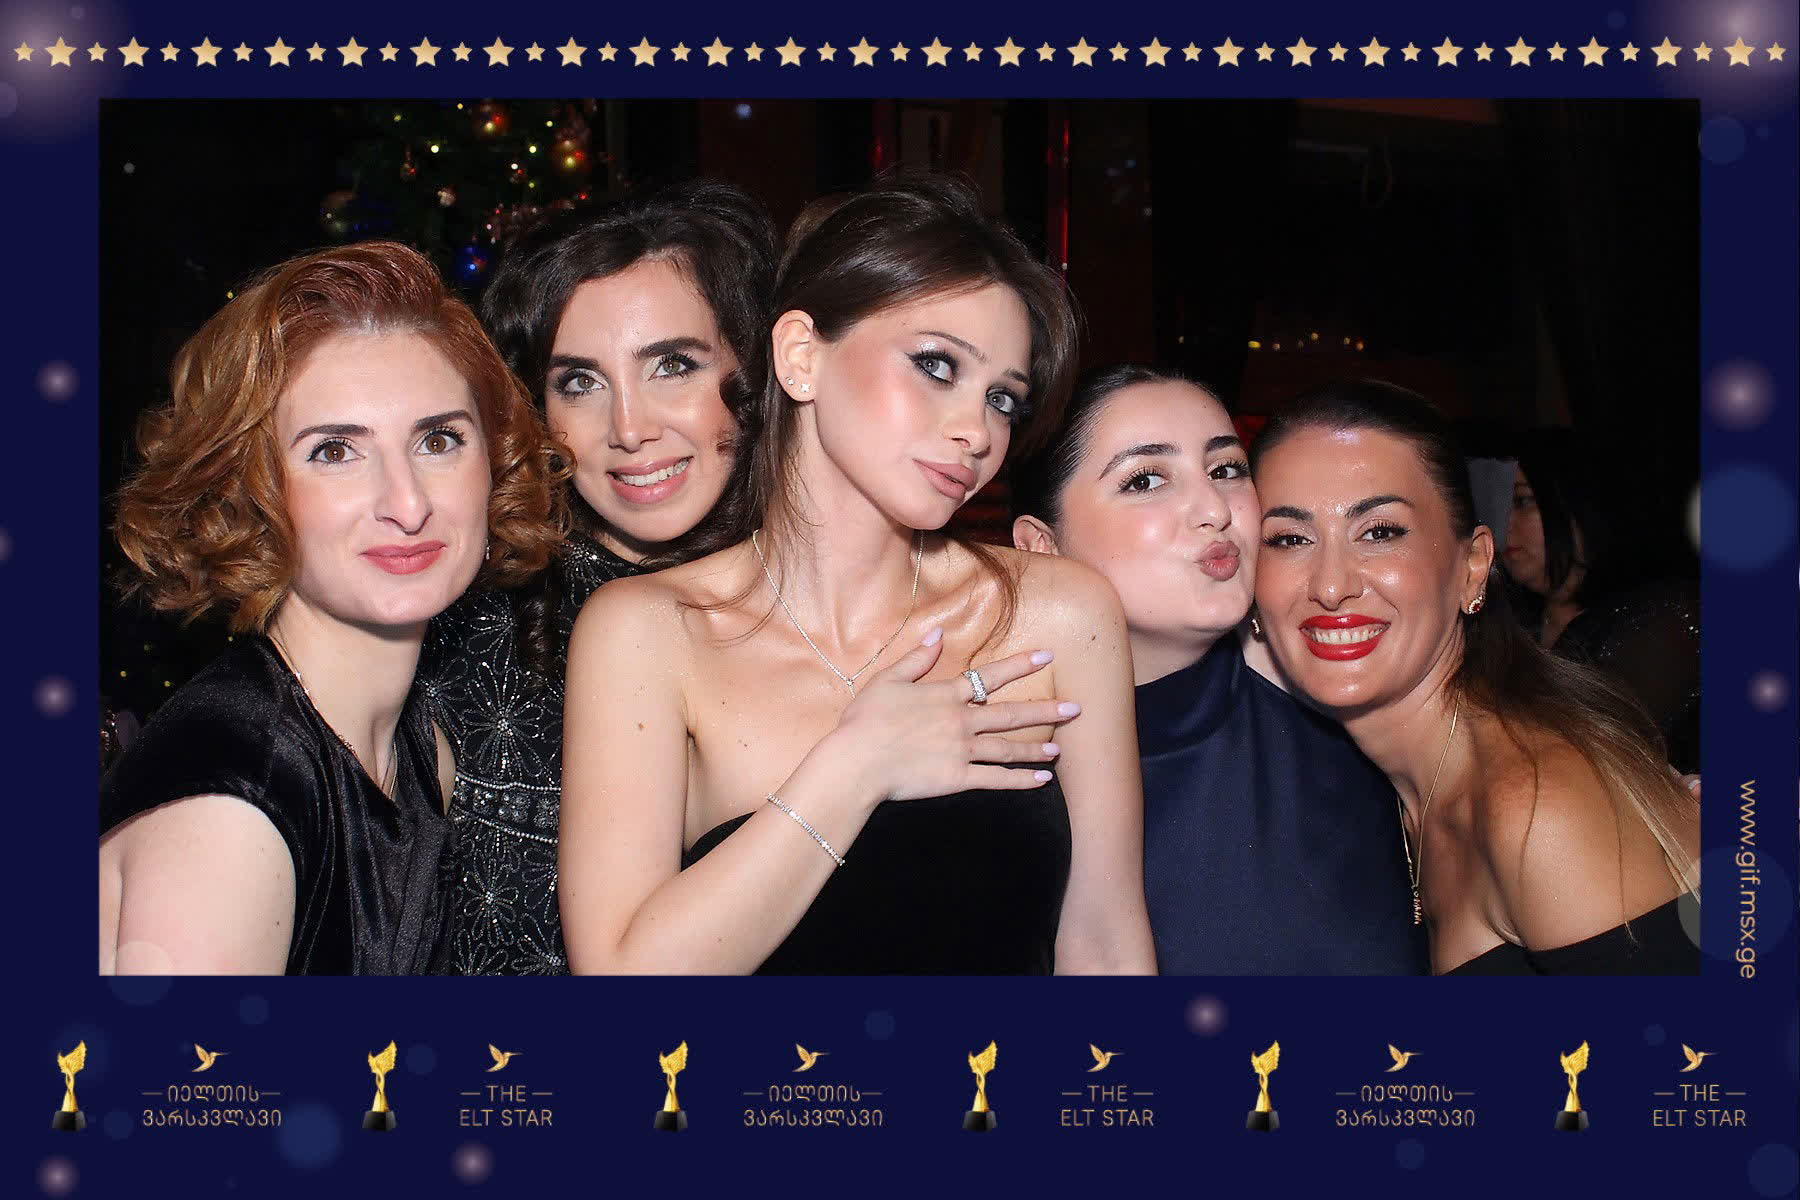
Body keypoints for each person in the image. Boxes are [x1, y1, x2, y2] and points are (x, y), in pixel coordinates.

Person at [559, 171, 1157, 974]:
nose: (977, 430)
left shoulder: (1058, 613)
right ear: (801, 356)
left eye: (1002, 400)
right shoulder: (646, 631)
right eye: (937, 365)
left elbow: (1106, 946)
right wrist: (856, 765)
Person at [100, 241, 566, 974]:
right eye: (334, 452)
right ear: (248, 492)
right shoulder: (231, 816)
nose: (407, 503)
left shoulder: (420, 748)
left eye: (438, 439)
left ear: (495, 462)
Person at [420, 181, 779, 974]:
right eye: (580, 382)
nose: (629, 429)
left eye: (673, 366)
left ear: (760, 371)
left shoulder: (830, 605)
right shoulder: (465, 629)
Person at [1249, 379, 1699, 975]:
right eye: (1289, 538)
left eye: (1379, 532)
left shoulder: (1536, 807)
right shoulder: (1369, 789)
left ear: (1473, 565)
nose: (1331, 585)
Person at [1011, 365, 1426, 974]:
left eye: (1226, 469)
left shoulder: (1344, 692)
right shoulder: (992, 766)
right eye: (1146, 479)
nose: (1213, 508)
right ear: (1041, 546)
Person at [1504, 428, 1698, 772]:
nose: (1504, 521)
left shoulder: (1660, 617)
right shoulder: (1500, 623)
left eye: (1524, 501)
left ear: (1582, 507)